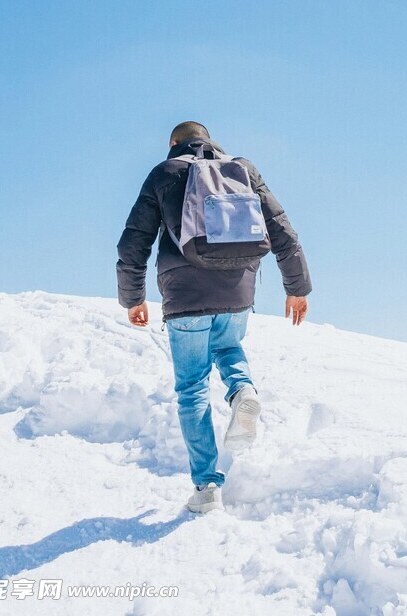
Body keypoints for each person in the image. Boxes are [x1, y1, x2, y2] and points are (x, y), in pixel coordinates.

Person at [116, 121, 312, 513]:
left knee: (192, 388)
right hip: (237, 288)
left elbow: (134, 240)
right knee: (228, 346)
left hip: (185, 295)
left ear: (174, 144)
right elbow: (281, 229)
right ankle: (243, 392)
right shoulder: (242, 169)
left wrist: (132, 298)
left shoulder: (165, 173)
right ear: (209, 140)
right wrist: (297, 287)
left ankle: (206, 487)